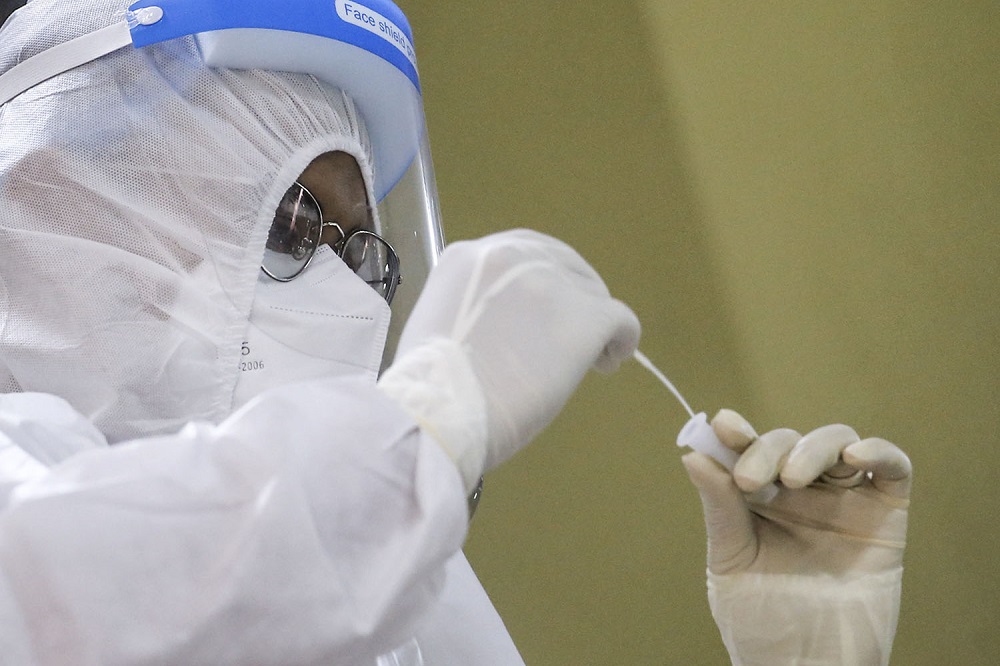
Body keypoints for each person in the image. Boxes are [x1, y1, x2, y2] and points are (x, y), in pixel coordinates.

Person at [0, 1, 910, 664]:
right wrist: (421, 438)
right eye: (293, 228)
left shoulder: (402, 614)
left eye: (365, 255)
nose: (351, 298)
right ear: (58, 208)